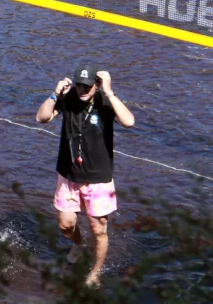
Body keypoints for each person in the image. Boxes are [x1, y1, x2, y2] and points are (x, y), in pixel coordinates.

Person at [35, 65, 135, 287]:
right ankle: (78, 245)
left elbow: (129, 122)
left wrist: (109, 91)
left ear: (96, 85)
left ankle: (95, 272)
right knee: (65, 225)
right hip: (68, 175)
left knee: (98, 229)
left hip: (99, 178)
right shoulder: (68, 97)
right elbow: (41, 118)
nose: (82, 89)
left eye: (87, 86)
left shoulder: (105, 101)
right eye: (79, 84)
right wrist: (54, 93)